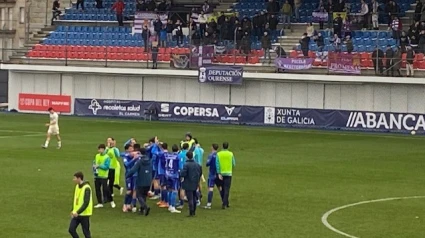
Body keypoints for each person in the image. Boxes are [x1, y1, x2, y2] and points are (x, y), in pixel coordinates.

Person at [126, 148, 152, 216]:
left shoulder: (140, 162)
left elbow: (133, 170)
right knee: (144, 195)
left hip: (141, 180)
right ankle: (142, 209)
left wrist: (127, 175)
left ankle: (145, 207)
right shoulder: (149, 160)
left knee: (139, 195)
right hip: (148, 181)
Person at [69, 172, 93, 238]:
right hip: (76, 213)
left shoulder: (87, 188)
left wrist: (77, 212)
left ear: (79, 178)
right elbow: (76, 200)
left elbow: (86, 203)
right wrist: (73, 210)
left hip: (84, 214)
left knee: (86, 232)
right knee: (71, 229)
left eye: (75, 178)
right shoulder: (77, 186)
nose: (73, 180)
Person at [180, 151, 202, 217]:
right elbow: (200, 173)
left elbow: (183, 174)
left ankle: (191, 212)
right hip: (195, 183)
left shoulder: (186, 164)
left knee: (190, 198)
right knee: (194, 197)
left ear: (187, 157)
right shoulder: (197, 164)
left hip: (188, 183)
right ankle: (194, 211)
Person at [93, 144, 115, 208]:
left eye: (101, 149)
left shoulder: (107, 157)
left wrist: (99, 166)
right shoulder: (97, 156)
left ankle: (111, 201)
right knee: (97, 189)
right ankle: (100, 202)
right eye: (99, 149)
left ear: (104, 149)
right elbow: (94, 162)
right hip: (97, 175)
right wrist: (94, 167)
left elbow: (107, 167)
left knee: (105, 189)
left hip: (104, 176)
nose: (100, 150)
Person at [216, 142, 235, 209]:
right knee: (227, 189)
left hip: (221, 173)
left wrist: (218, 173)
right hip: (228, 173)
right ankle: (225, 203)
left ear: (222, 146)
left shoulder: (218, 154)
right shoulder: (231, 154)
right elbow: (233, 163)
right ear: (228, 147)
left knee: (222, 188)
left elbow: (217, 164)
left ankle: (225, 202)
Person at [165, 144, 182, 213]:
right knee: (174, 190)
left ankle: (169, 205)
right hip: (175, 175)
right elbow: (180, 166)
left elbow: (166, 165)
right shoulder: (178, 156)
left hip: (168, 174)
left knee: (169, 190)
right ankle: (172, 206)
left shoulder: (168, 156)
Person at [204, 143, 222, 209]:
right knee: (220, 188)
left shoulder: (211, 155)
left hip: (212, 174)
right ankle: (224, 201)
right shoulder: (219, 155)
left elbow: (207, 163)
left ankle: (209, 204)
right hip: (218, 174)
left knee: (210, 188)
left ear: (212, 147)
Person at [122, 144, 139, 212]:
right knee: (129, 191)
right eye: (130, 148)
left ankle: (129, 204)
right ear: (127, 150)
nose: (132, 149)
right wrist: (134, 159)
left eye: (132, 148)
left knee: (133, 190)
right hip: (128, 175)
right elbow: (127, 164)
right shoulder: (125, 156)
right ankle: (125, 204)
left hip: (134, 175)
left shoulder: (135, 155)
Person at [177, 142, 189, 209]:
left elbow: (180, 165)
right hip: (189, 173)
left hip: (182, 172)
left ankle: (181, 203)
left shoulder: (180, 154)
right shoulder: (190, 154)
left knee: (181, 188)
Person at [156, 142, 169, 207]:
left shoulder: (161, 153)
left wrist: (156, 145)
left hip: (162, 172)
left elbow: (154, 152)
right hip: (165, 172)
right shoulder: (168, 153)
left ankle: (166, 202)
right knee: (162, 186)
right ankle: (162, 200)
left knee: (163, 187)